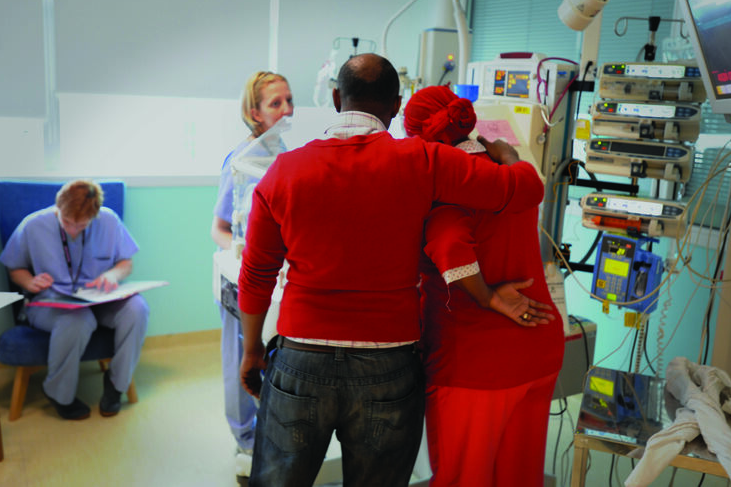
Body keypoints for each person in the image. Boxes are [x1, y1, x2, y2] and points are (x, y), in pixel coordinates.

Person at [236, 53, 551, 487]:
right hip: (388, 364)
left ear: (334, 97)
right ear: (397, 104)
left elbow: (256, 274)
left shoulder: (284, 172)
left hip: (301, 359)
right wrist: (506, 153)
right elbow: (525, 189)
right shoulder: (423, 161)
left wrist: (252, 349)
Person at [404, 85, 565, 486]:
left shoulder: (447, 182)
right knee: (519, 475)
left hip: (476, 362)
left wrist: (489, 296)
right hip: (537, 348)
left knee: (466, 478)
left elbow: (450, 247)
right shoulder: (513, 171)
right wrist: (510, 155)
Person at [0, 179, 150, 420]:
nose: (72, 230)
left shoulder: (109, 220)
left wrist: (112, 274)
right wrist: (29, 282)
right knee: (78, 320)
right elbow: (14, 268)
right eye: (66, 222)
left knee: (137, 309)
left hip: (100, 299)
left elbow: (126, 264)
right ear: (58, 207)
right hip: (51, 301)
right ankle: (58, 393)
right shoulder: (33, 225)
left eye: (80, 225)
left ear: (95, 215)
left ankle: (116, 384)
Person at [209, 71, 293, 477]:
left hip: (280, 279)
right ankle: (245, 442)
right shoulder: (241, 162)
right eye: (276, 103)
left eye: (289, 101)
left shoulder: (292, 157)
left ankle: (273, 441)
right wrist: (247, 255)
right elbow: (220, 229)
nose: (287, 110)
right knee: (240, 361)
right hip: (243, 275)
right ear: (254, 112)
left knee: (274, 362)